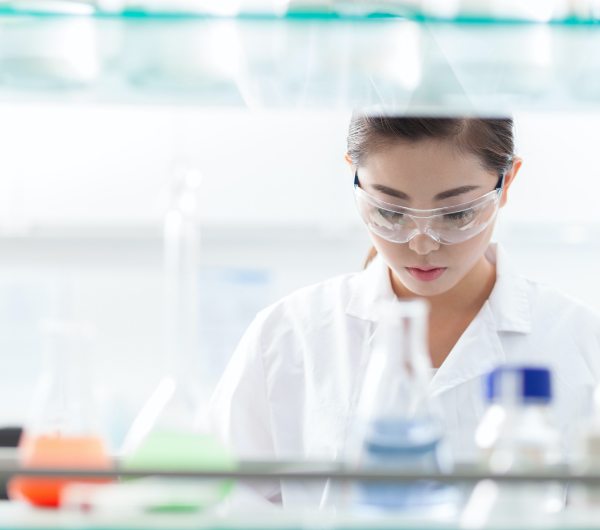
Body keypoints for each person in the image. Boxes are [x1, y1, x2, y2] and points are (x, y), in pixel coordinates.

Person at [209, 116, 600, 508]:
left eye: (457, 214)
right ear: (354, 176)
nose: (422, 244)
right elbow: (219, 505)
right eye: (391, 212)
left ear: (507, 182)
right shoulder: (286, 336)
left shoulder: (580, 343)